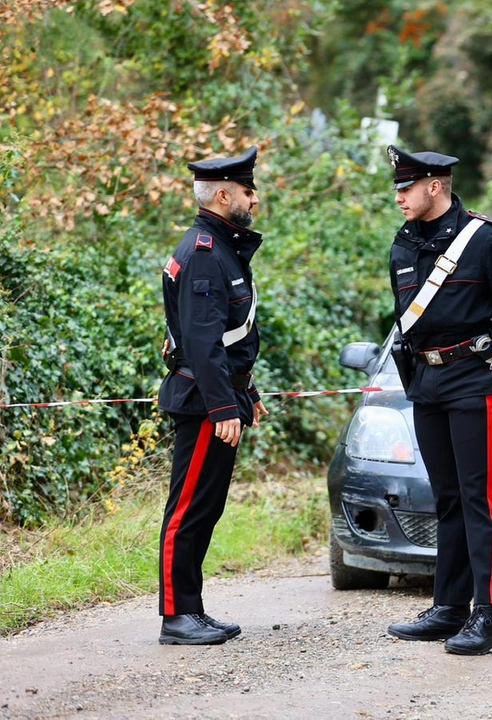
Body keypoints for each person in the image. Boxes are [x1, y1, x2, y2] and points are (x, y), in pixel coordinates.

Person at [383, 145, 492, 655]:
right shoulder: (404, 243)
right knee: (448, 498)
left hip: (478, 379)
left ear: (435, 186)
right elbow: (405, 320)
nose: (398, 199)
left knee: (481, 500)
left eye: (405, 189)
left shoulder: (487, 241)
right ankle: (448, 608)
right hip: (429, 385)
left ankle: (488, 615)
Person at [156, 146, 269, 645]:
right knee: (188, 507)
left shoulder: (220, 246)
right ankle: (176, 616)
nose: (255, 198)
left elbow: (227, 336)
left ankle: (193, 609)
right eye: (248, 190)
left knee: (206, 506)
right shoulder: (204, 253)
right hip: (204, 403)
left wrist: (249, 393)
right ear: (224, 195)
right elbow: (201, 344)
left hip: (219, 397)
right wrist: (225, 406)